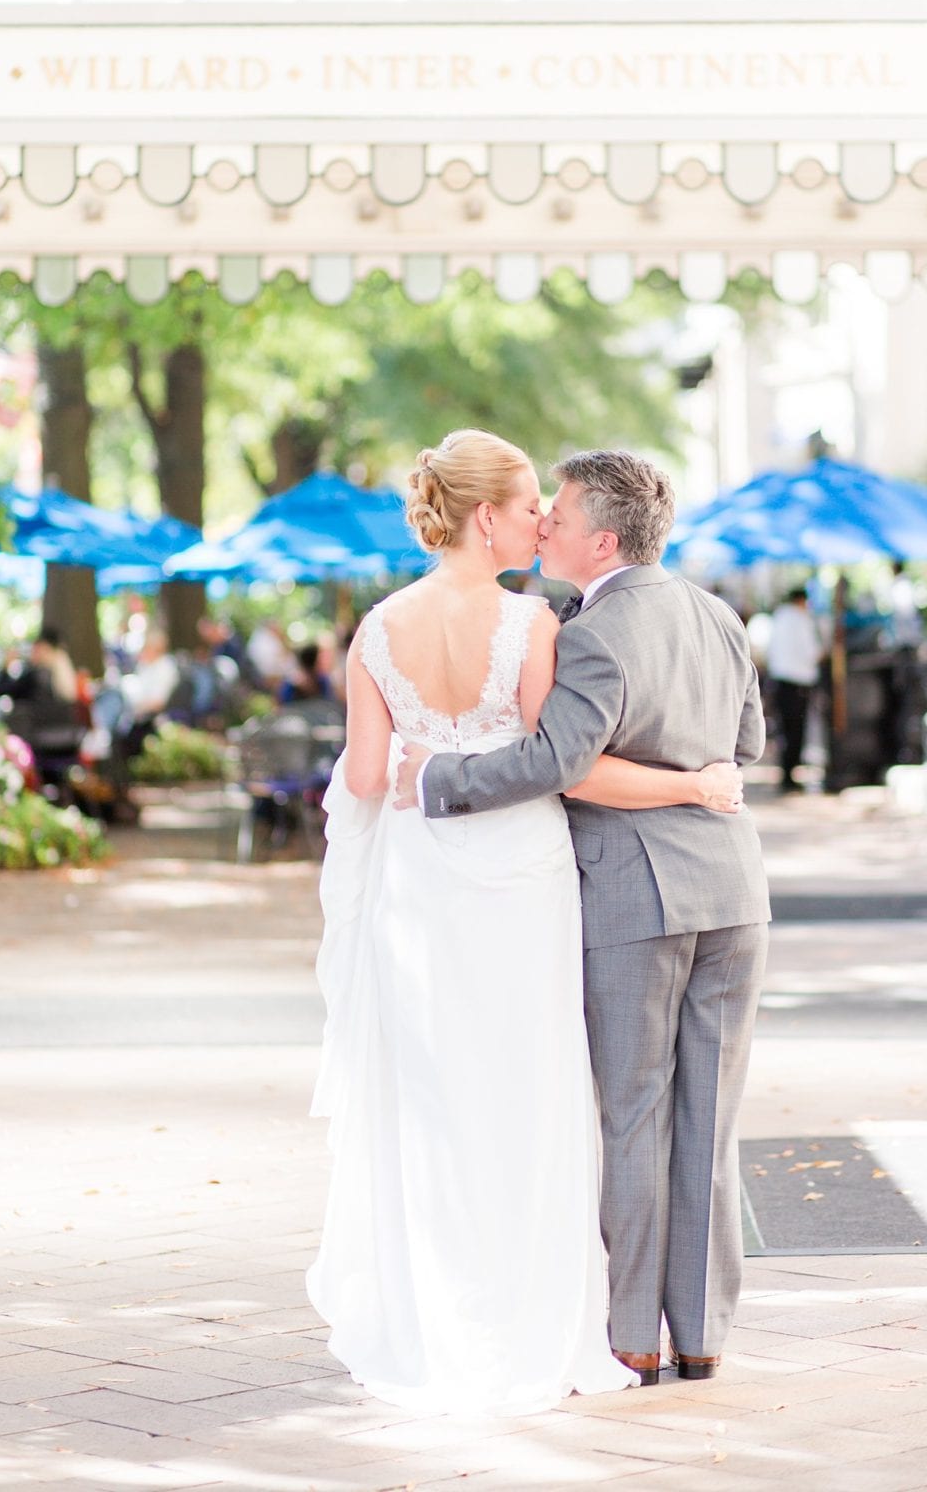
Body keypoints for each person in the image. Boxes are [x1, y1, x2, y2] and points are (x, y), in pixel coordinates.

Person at [308, 430, 746, 1416]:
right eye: (528, 506)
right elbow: (563, 761)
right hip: (530, 873)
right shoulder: (538, 626)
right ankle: (576, 1326)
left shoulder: (376, 632)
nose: (543, 520)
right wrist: (699, 785)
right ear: (485, 516)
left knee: (439, 1100)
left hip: (425, 877)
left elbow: (371, 781)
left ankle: (445, 1322)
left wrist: (431, 771)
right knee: (540, 1094)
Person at [767, 587, 823, 793]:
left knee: (784, 729)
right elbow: (812, 651)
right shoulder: (802, 620)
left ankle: (786, 773)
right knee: (796, 731)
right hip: (799, 681)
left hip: (780, 679)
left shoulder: (779, 618)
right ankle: (790, 776)